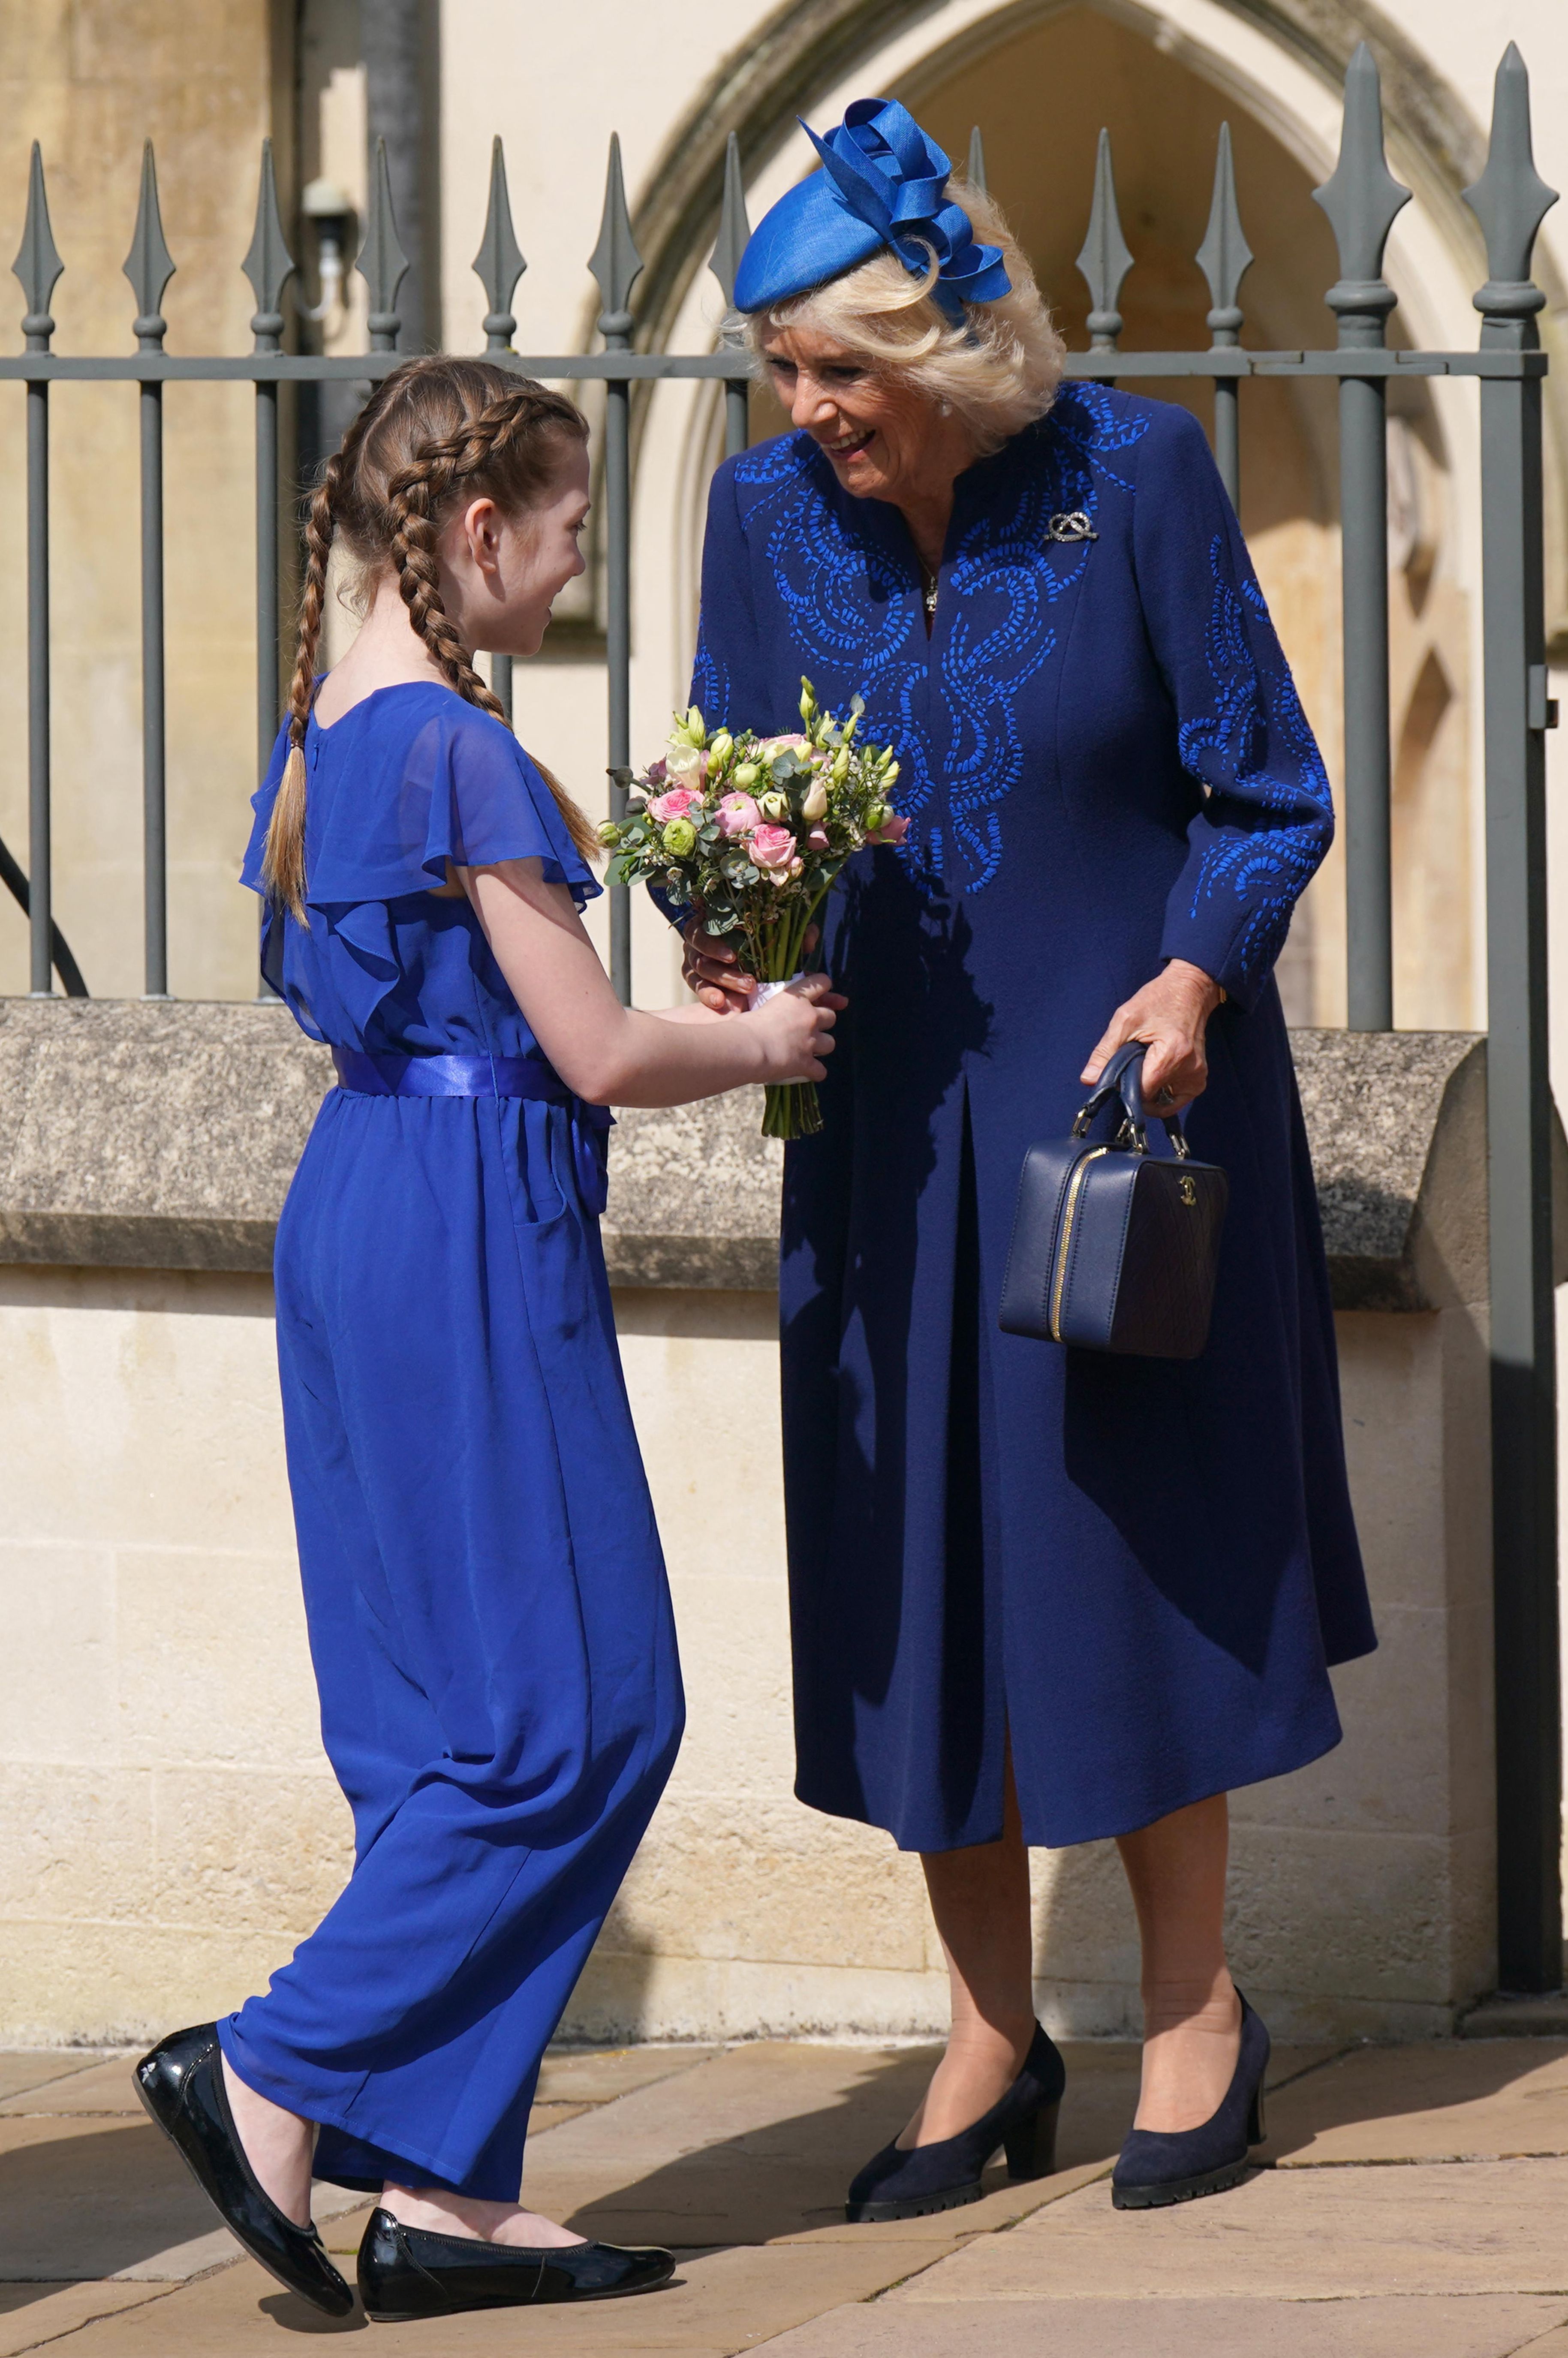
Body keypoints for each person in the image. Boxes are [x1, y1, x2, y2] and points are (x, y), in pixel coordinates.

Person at [680, 99, 1375, 2219]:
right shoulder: (755, 516)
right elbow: (726, 799)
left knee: (1125, 1557)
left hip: (1113, 1117)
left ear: (952, 349)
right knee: (918, 1589)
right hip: (878, 1133)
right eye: (783, 370)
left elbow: (1267, 794)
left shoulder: (1136, 482)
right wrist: (721, 923)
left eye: (842, 371)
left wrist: (1193, 980)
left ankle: (1192, 2018)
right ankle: (989, 2032)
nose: (806, 412)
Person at [133, 356, 840, 2324]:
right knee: (583, 1712)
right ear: (469, 532)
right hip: (466, 1222)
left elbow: (372, 997)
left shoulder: (317, 742)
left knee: (435, 1729)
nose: (571, 562)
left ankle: (444, 2195)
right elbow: (597, 1052)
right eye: (563, 526)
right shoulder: (462, 751)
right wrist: (768, 1035)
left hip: (352, 1209)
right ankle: (271, 2065)